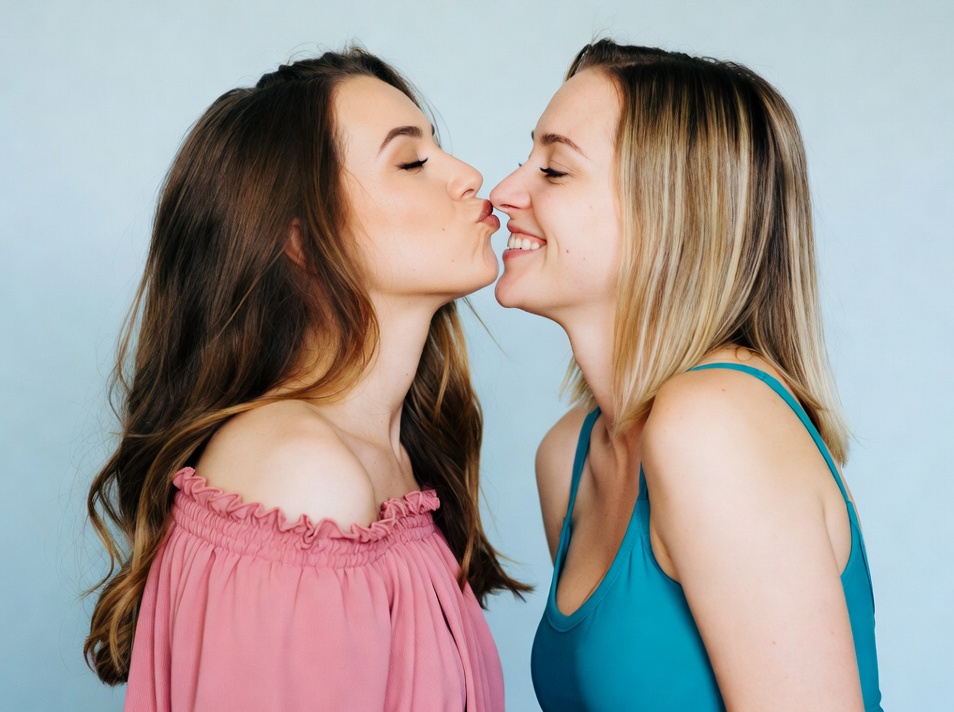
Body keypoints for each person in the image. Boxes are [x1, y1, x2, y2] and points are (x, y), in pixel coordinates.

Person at [85, 48, 524, 712]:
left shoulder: (388, 456)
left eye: (440, 148)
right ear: (301, 241)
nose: (469, 176)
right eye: (411, 162)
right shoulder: (300, 475)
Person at [490, 40, 881, 712]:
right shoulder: (570, 457)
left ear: (668, 212)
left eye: (553, 170)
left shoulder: (713, 424)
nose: (503, 192)